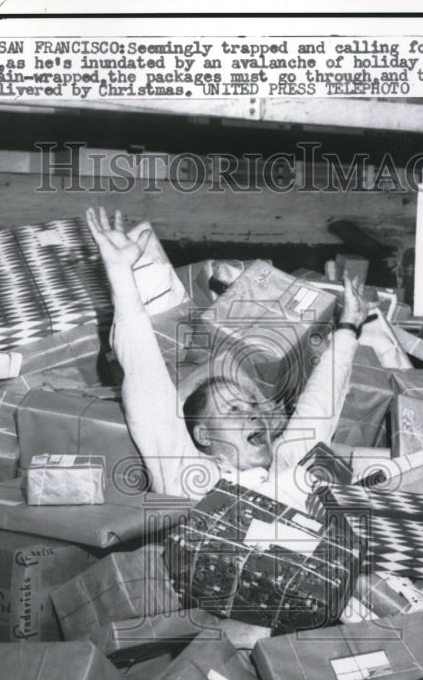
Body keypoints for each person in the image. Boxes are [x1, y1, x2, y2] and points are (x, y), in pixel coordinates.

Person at [86, 206, 369, 510]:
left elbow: (317, 409)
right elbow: (147, 383)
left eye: (251, 405)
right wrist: (121, 277)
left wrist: (349, 326)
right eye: (233, 409)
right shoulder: (191, 479)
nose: (253, 414)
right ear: (203, 435)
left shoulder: (286, 468)